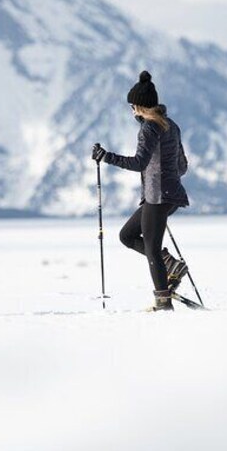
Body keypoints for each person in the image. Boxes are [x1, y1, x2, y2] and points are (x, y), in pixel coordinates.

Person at [92, 71, 190, 311]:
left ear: (138, 106)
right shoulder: (172, 126)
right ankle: (171, 265)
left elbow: (138, 163)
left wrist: (106, 157)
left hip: (157, 196)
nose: (132, 112)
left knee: (152, 250)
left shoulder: (149, 129)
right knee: (127, 235)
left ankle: (163, 303)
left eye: (132, 107)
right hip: (171, 195)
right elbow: (182, 166)